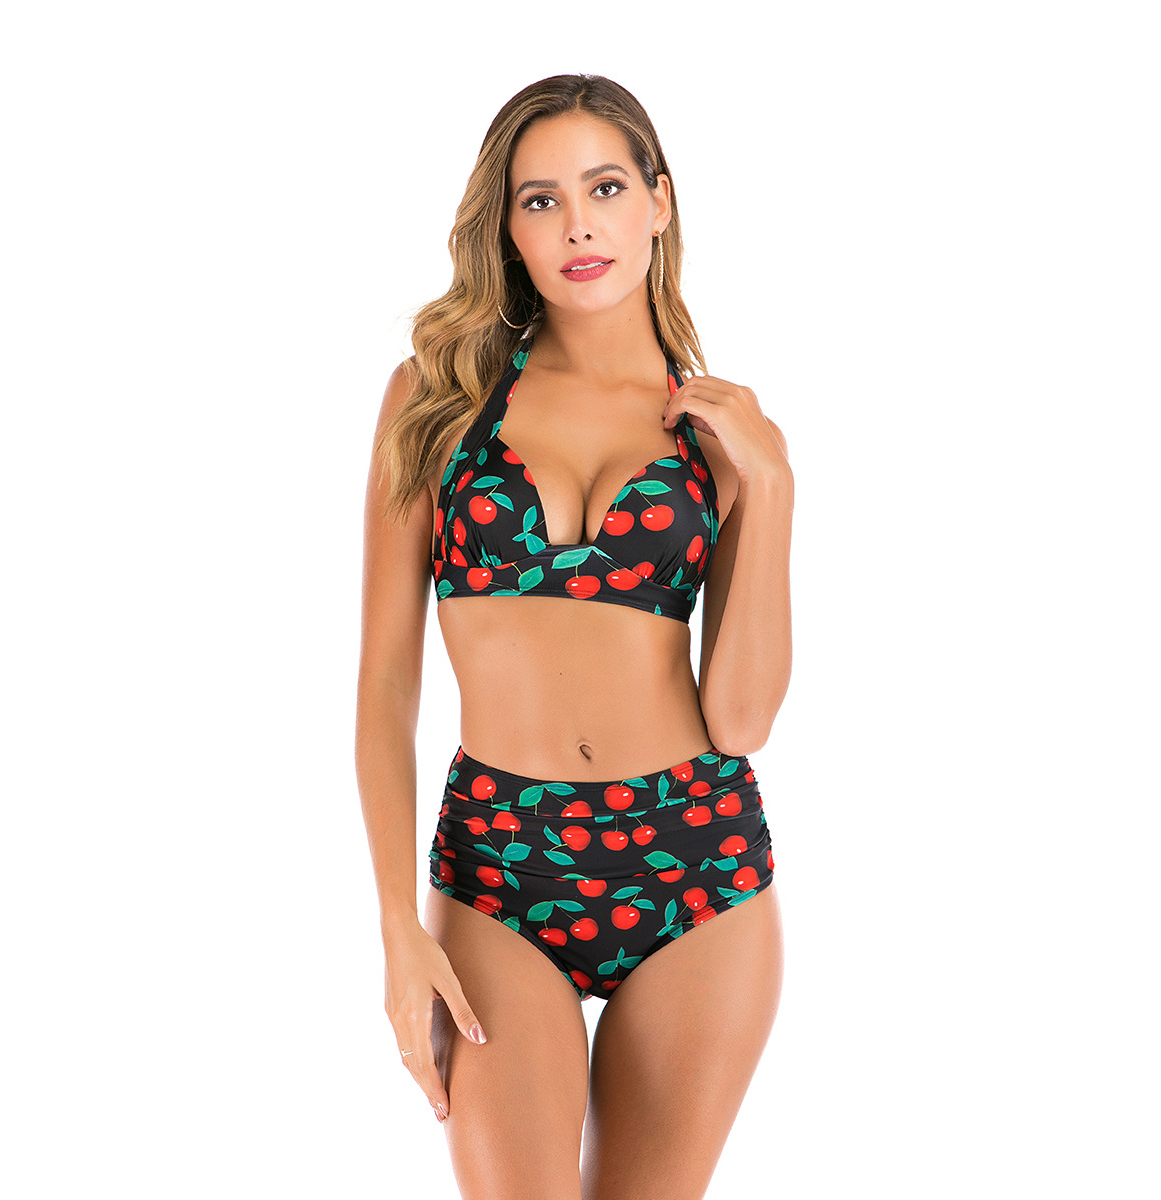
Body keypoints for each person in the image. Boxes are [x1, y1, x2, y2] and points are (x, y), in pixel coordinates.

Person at [356, 73, 793, 1198]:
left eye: (604, 189)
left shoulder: (722, 432)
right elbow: (386, 684)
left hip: (697, 867)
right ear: (506, 227)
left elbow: (741, 718)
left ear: (659, 201)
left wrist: (775, 485)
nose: (577, 227)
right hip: (498, 868)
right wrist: (398, 924)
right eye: (540, 200)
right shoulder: (440, 400)